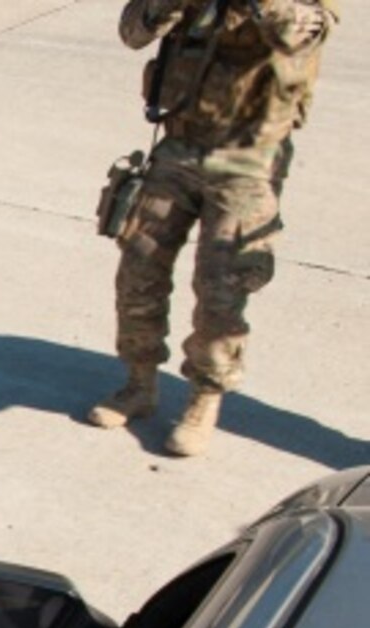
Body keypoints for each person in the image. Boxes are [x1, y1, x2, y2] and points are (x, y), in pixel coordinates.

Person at [83, 0, 338, 456]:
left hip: (249, 158)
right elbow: (133, 32)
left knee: (221, 288)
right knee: (139, 265)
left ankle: (204, 399)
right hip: (179, 144)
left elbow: (298, 34)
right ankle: (139, 383)